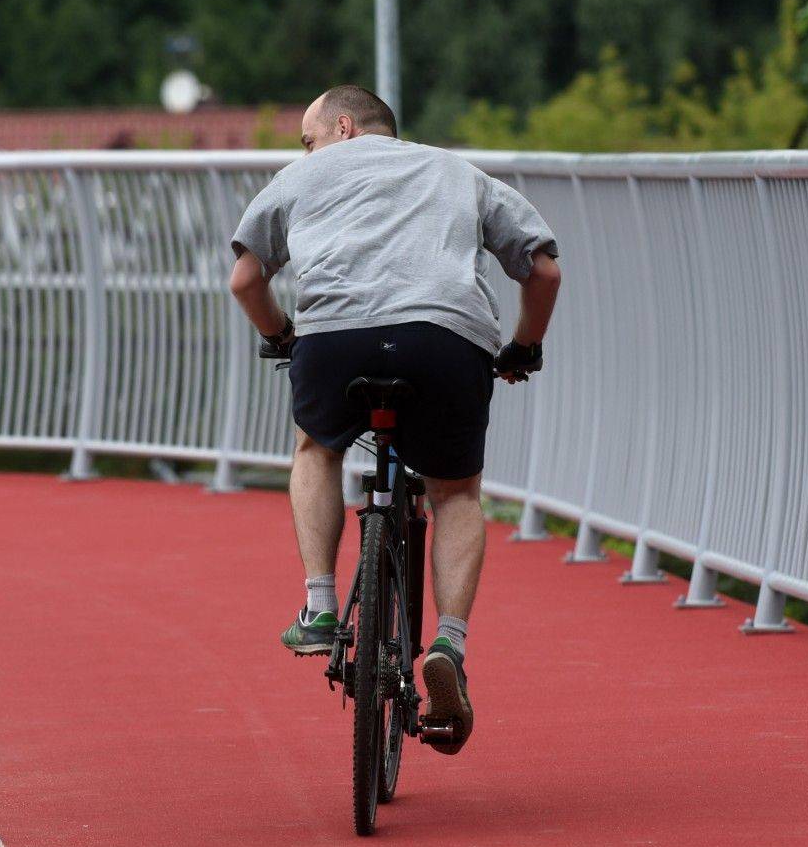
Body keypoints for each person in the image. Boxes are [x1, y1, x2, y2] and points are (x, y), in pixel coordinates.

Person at [227, 84, 562, 754]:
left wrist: (283, 334)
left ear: (344, 127)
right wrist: (525, 345)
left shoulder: (303, 176)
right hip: (445, 338)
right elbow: (543, 269)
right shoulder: (456, 171)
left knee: (317, 449)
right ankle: (449, 645)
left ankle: (321, 606)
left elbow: (244, 278)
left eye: (310, 136)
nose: (308, 148)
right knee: (456, 490)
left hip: (335, 339)